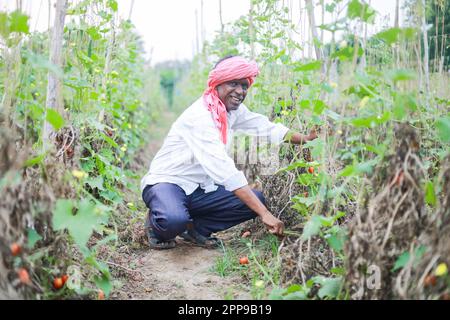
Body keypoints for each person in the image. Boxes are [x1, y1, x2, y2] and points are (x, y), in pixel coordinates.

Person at [141, 55, 317, 249]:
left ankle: (195, 229)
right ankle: (156, 223)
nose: (240, 91)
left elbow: (264, 127)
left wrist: (305, 139)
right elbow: (225, 171)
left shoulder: (229, 111)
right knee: (173, 220)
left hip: (199, 188)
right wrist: (265, 214)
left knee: (255, 199)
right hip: (168, 183)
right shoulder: (200, 117)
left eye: (244, 86)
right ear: (217, 83)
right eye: (233, 83)